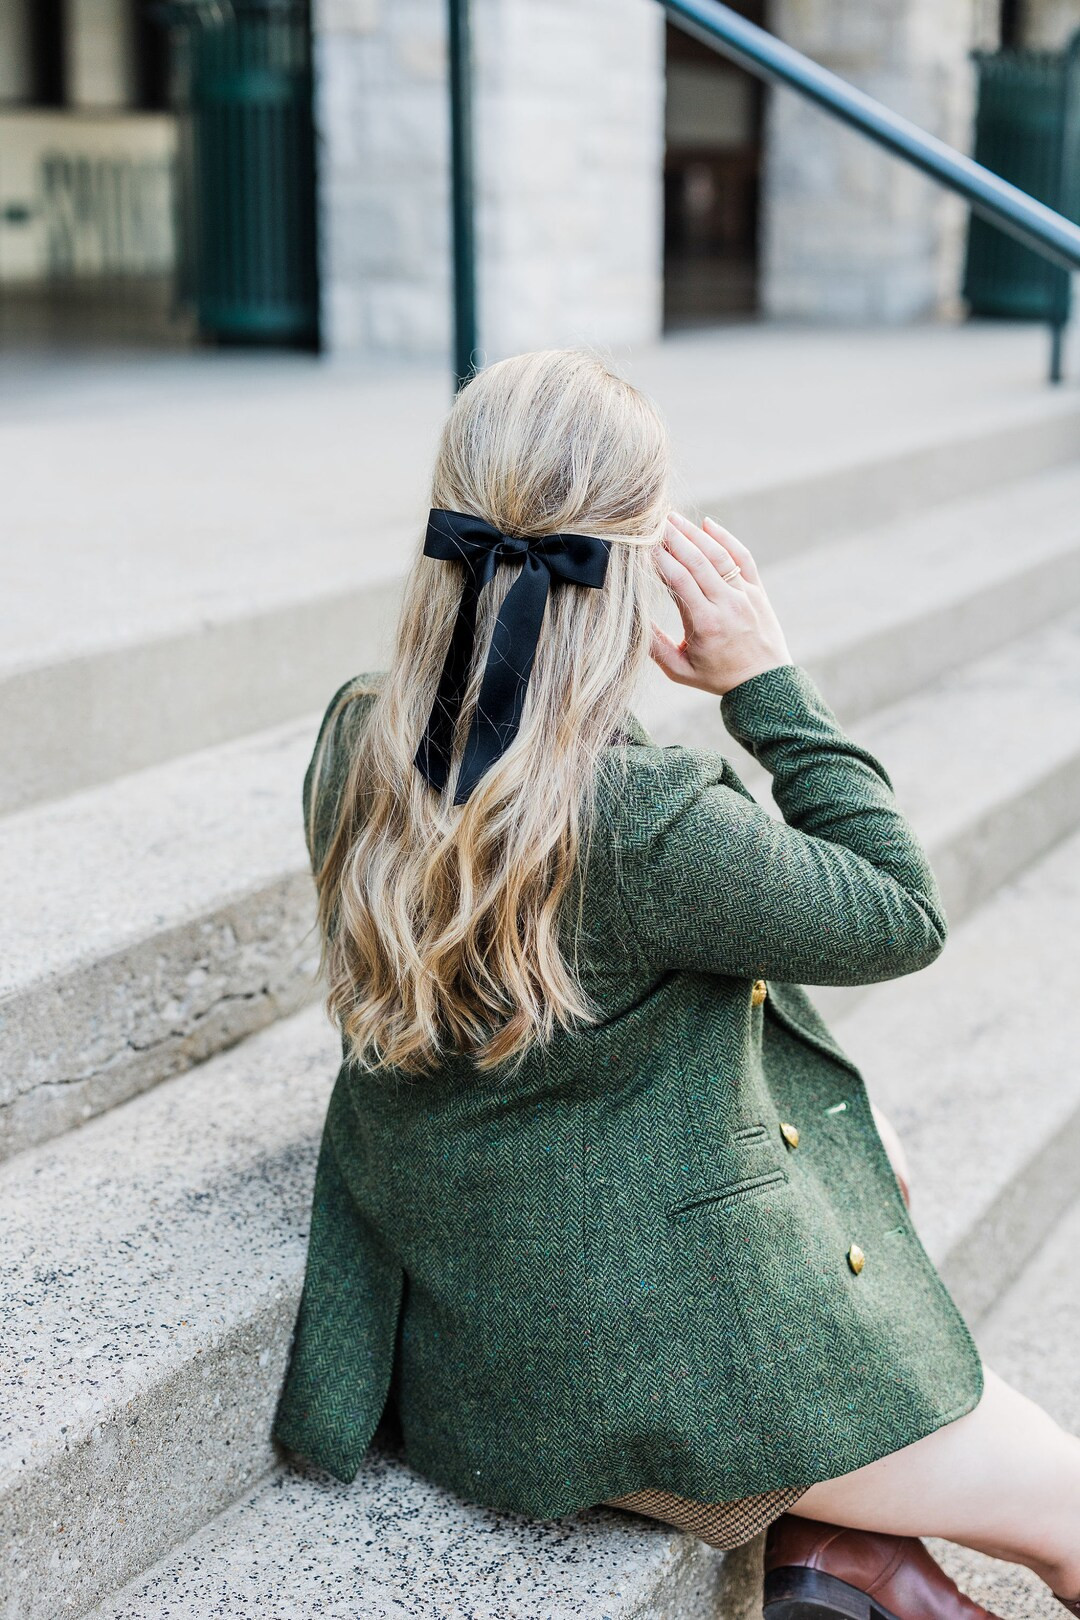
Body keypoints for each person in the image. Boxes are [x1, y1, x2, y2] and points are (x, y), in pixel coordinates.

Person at [272, 348, 1080, 1619]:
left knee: (862, 1170)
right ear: (630, 564)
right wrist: (766, 677)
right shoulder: (644, 821)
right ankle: (849, 1545)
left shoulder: (356, 735)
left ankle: (854, 1566)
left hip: (490, 1345)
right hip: (660, 1364)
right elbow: (900, 910)